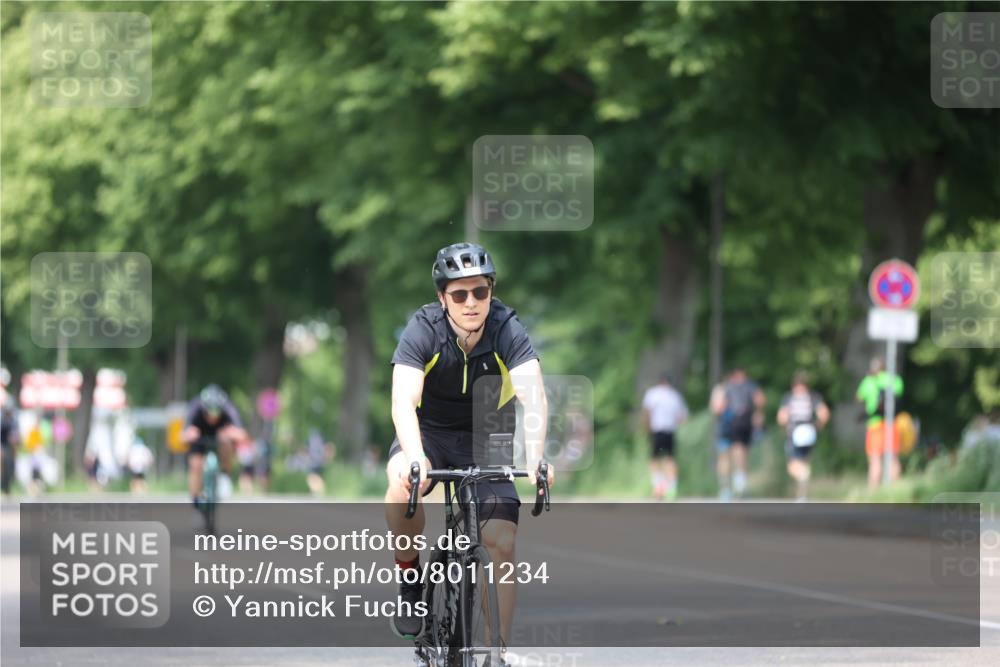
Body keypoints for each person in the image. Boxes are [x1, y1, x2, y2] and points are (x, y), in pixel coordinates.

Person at [384, 242, 554, 651]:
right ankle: (410, 582)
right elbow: (402, 401)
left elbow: (534, 395)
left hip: (487, 431)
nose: (471, 302)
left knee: (502, 540)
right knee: (399, 484)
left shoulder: (506, 328)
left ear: (491, 292)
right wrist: (414, 457)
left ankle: (498, 652)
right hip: (429, 430)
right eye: (459, 294)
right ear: (443, 298)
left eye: (480, 291)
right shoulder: (423, 329)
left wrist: (535, 457)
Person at [182, 384, 249, 508]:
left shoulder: (229, 407)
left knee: (227, 444)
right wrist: (190, 434)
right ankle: (196, 498)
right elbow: (183, 435)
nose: (213, 416)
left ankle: (224, 476)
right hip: (200, 437)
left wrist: (230, 432)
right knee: (195, 464)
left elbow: (242, 434)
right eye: (209, 411)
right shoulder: (195, 406)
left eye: (216, 411)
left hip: (220, 437)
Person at [710, 368, 765, 500]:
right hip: (738, 424)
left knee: (726, 458)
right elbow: (760, 399)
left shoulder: (722, 389)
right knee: (740, 455)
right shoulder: (745, 387)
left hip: (727, 426)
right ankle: (738, 486)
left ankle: (728, 488)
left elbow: (717, 409)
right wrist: (758, 413)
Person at [776, 371, 830, 501]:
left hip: (795, 432)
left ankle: (802, 482)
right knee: (804, 462)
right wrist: (817, 427)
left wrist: (784, 429)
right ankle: (802, 496)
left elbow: (782, 417)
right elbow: (824, 414)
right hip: (809, 432)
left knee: (793, 466)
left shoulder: (789, 397)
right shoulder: (813, 397)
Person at [856, 357, 903, 488]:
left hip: (875, 424)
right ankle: (895, 490)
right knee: (893, 458)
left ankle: (873, 491)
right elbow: (899, 394)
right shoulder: (894, 379)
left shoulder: (869, 380)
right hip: (891, 423)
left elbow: (859, 397)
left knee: (875, 459)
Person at [642, 372, 688, 501]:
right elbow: (683, 417)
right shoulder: (675, 395)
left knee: (654, 459)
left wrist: (646, 428)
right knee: (670, 459)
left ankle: (658, 487)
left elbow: (647, 412)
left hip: (657, 430)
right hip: (670, 431)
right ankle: (672, 488)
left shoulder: (653, 393)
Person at [1, 370, 19, 497]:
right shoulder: (2, 418)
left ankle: (7, 488)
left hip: (7, 445)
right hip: (2, 443)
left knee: (9, 464)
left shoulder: (12, 419)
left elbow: (14, 434)